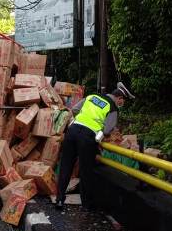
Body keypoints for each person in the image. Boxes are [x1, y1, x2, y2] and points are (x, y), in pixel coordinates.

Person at [55, 82, 135, 211]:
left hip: (72, 131)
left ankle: (59, 200)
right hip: (87, 137)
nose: (121, 104)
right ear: (119, 98)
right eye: (122, 101)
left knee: (66, 166)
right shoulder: (112, 107)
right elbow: (108, 129)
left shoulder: (92, 96)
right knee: (86, 171)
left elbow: (75, 109)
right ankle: (86, 205)